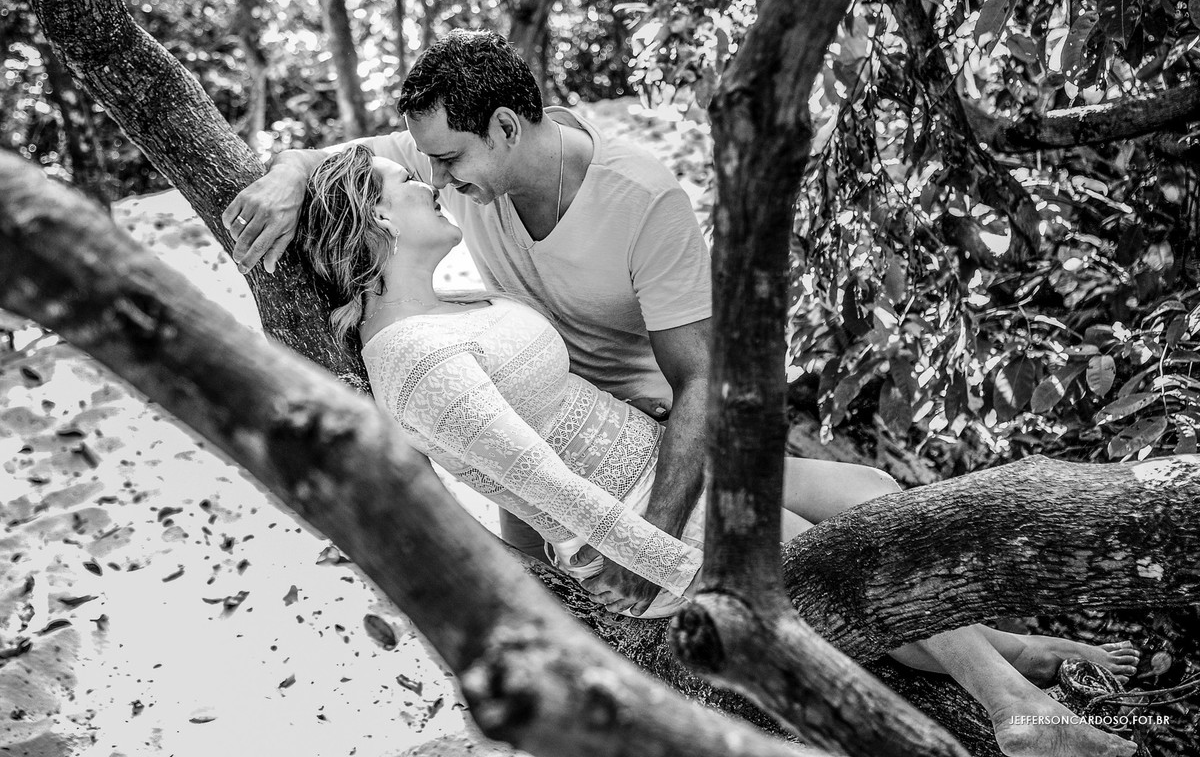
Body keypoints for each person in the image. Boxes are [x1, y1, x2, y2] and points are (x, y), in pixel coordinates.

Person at [294, 143, 1140, 757]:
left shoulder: (434, 315)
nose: (430, 184)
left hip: (659, 462)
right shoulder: (416, 361)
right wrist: (672, 565)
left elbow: (534, 426)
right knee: (848, 554)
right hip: (634, 524)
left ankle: (1006, 653)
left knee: (868, 487)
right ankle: (1017, 706)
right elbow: (545, 488)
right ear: (378, 216)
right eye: (408, 182)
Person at [223, 28, 898, 618]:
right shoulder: (456, 155)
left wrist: (653, 541)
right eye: (428, 163)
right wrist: (288, 173)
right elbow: (345, 171)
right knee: (834, 569)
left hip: (665, 444)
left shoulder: (640, 197)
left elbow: (701, 379)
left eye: (449, 161)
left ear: (506, 128)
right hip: (554, 442)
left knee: (871, 498)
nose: (435, 179)